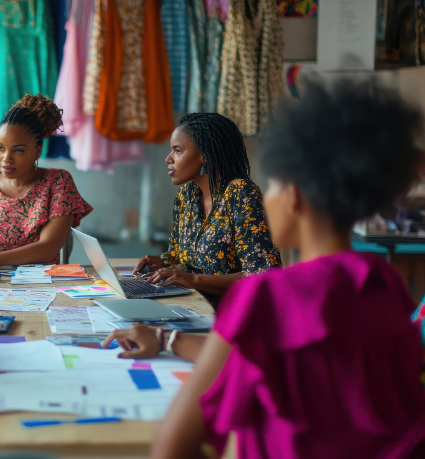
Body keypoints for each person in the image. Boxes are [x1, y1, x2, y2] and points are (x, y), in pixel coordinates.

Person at [104, 79, 425, 458]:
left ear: (292, 195)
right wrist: (164, 340)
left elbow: (172, 445)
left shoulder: (268, 294)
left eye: (271, 184)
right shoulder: (384, 283)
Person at [133, 113, 281, 306]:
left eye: (178, 151)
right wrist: (162, 264)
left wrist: (193, 280)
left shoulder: (241, 194)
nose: (168, 158)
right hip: (189, 305)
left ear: (206, 155)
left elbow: (263, 274)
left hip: (233, 316)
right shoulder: (186, 196)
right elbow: (179, 257)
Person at [0, 94, 93, 268]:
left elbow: (48, 248)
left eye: (18, 150)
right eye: (0, 148)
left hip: (41, 285)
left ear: (38, 150)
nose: (6, 158)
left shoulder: (57, 182)